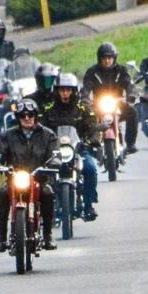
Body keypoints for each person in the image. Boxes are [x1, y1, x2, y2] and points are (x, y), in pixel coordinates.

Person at [0, 98, 60, 250]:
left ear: (35, 116)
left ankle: (48, 236)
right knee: (2, 193)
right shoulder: (7, 135)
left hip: (39, 179)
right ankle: (1, 237)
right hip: (15, 179)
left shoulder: (48, 135)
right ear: (18, 118)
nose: (27, 118)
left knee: (48, 193)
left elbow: (55, 154)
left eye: (30, 115)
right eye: (23, 115)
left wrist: (54, 162)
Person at [42, 71, 98, 221]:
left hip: (78, 150)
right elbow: (41, 128)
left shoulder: (83, 109)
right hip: (54, 152)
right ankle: (47, 208)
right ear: (56, 91)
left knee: (90, 168)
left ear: (74, 91)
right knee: (42, 174)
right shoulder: (48, 110)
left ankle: (88, 205)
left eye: (68, 90)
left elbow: (93, 127)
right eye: (62, 90)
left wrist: (93, 139)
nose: (65, 93)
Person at [82, 41, 138, 154]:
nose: (107, 60)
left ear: (114, 58)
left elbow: (129, 85)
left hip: (118, 103)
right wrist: (84, 98)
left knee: (133, 112)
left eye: (110, 58)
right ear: (99, 58)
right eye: (104, 58)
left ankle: (130, 143)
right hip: (98, 104)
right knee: (86, 115)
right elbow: (86, 88)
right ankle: (90, 142)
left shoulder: (121, 70)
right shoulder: (92, 72)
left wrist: (131, 95)